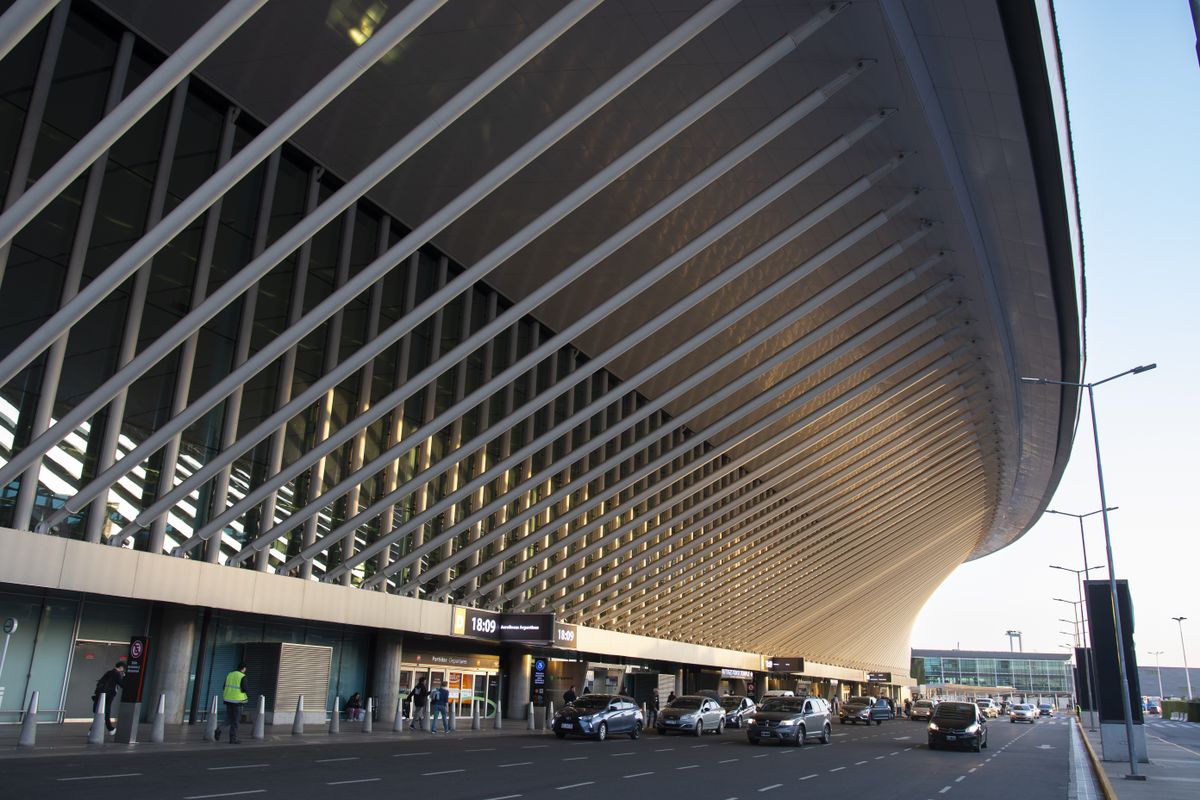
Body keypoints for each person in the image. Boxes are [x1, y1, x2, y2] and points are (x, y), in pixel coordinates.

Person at [216, 663, 248, 744]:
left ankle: (219, 728)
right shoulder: (242, 676)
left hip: (228, 700)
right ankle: (232, 739)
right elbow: (244, 689)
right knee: (236, 721)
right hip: (237, 701)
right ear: (243, 668)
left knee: (230, 718)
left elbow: (224, 687)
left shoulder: (229, 674)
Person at [92, 660, 126, 734]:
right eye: (123, 668)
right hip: (108, 696)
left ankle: (92, 730)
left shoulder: (109, 672)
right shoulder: (116, 674)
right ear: (120, 667)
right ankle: (110, 729)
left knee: (100, 712)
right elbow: (122, 685)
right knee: (106, 712)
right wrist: (124, 678)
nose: (123, 670)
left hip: (101, 694)